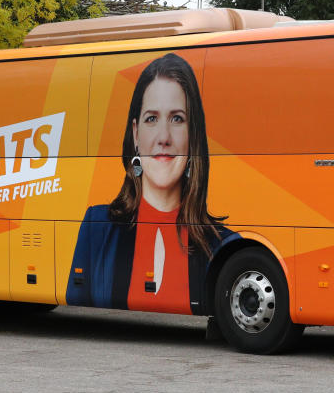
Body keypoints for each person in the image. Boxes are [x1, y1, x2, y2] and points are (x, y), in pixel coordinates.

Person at [67, 53, 235, 313]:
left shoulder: (223, 244)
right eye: (152, 119)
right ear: (136, 133)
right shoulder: (97, 228)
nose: (164, 137)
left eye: (177, 118)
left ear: (193, 135)